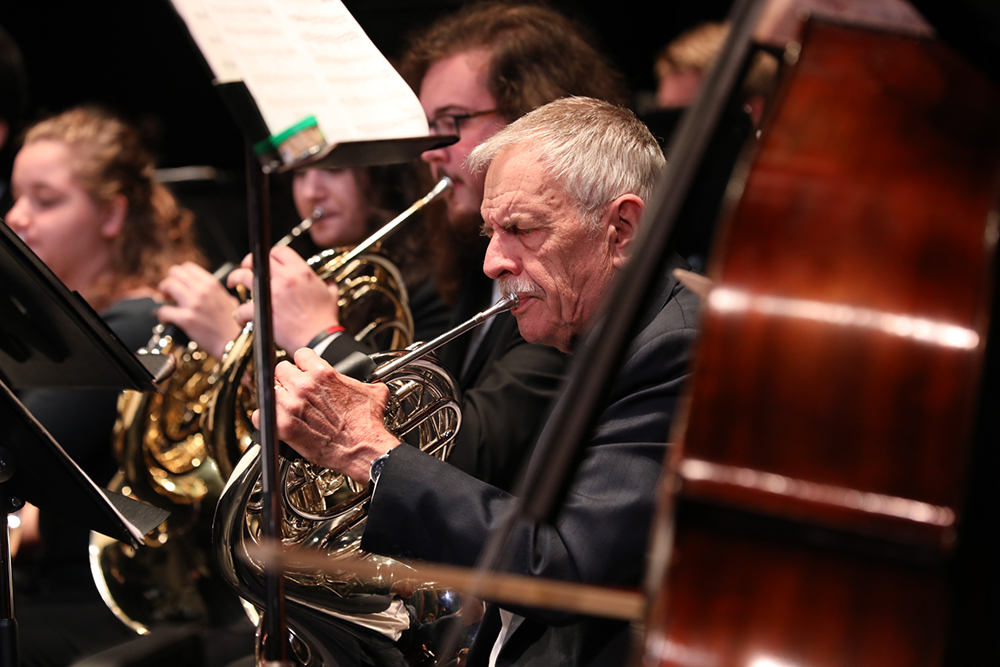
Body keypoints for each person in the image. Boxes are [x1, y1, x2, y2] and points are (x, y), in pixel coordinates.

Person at [263, 96, 700, 667]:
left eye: (520, 229)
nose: (493, 261)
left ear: (621, 229)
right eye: (490, 231)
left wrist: (370, 451)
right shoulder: (601, 334)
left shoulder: (674, 347)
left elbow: (562, 562)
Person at [3, 106, 205, 667]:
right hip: (49, 594)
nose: (16, 217)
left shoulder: (136, 326)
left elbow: (16, 452)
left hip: (102, 613)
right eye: (16, 198)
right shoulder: (95, 323)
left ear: (112, 214)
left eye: (45, 200)